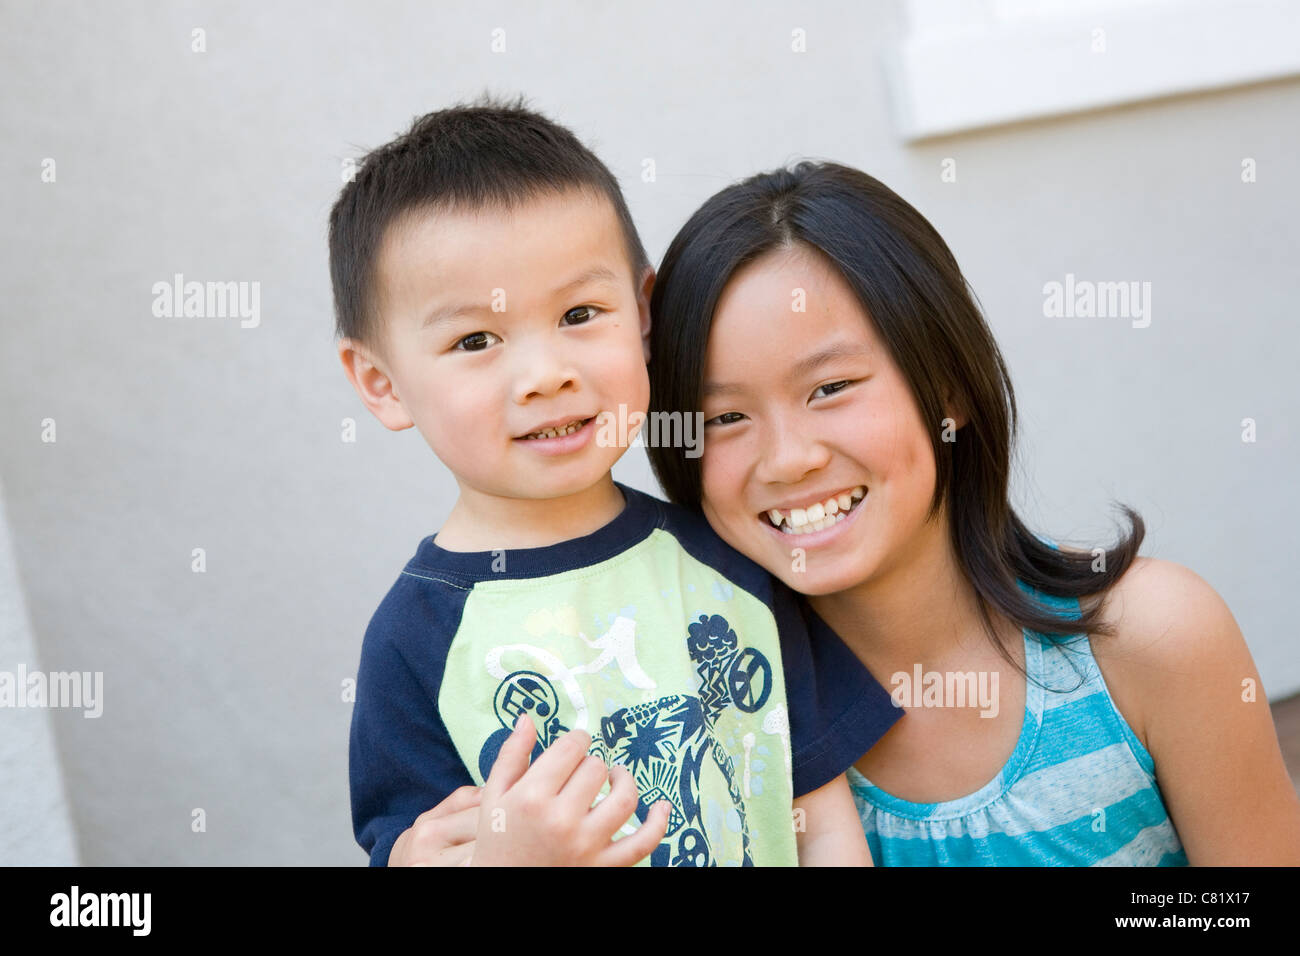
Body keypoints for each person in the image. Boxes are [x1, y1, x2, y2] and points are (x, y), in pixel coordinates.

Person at [418, 159, 1300, 866]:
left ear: (946, 386)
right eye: (725, 416)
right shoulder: (686, 715)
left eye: (831, 388)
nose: (788, 457)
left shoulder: (1150, 639)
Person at [329, 98, 901, 867]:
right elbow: (417, 849)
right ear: (381, 382)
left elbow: (821, 816)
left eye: (579, 313)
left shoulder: (729, 568)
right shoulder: (416, 642)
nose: (545, 375)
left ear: (641, 313)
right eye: (476, 339)